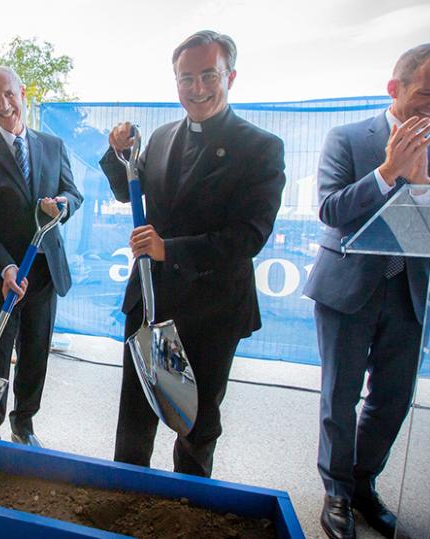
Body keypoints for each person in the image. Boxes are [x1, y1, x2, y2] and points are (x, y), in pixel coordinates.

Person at [302, 43, 430, 539]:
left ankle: (362, 484)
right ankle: (335, 492)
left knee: (392, 399)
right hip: (346, 289)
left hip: (411, 292)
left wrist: (422, 182)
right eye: (426, 94)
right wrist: (386, 173)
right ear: (394, 88)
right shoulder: (348, 137)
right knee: (339, 397)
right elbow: (332, 210)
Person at [99, 30, 286, 478]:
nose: (197, 88)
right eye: (186, 78)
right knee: (135, 417)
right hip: (151, 301)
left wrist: (170, 249)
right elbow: (130, 191)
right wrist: (118, 153)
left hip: (213, 309)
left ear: (231, 77)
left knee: (197, 424)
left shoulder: (261, 148)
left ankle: (190, 507)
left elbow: (249, 235)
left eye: (208, 75)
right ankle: (125, 501)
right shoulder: (161, 138)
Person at [0, 66, 83, 447]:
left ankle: (24, 424)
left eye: (8, 94)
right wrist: (6, 266)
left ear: (22, 92)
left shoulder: (52, 145)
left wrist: (62, 205)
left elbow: (72, 194)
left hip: (42, 274)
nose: (3, 104)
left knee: (34, 355)